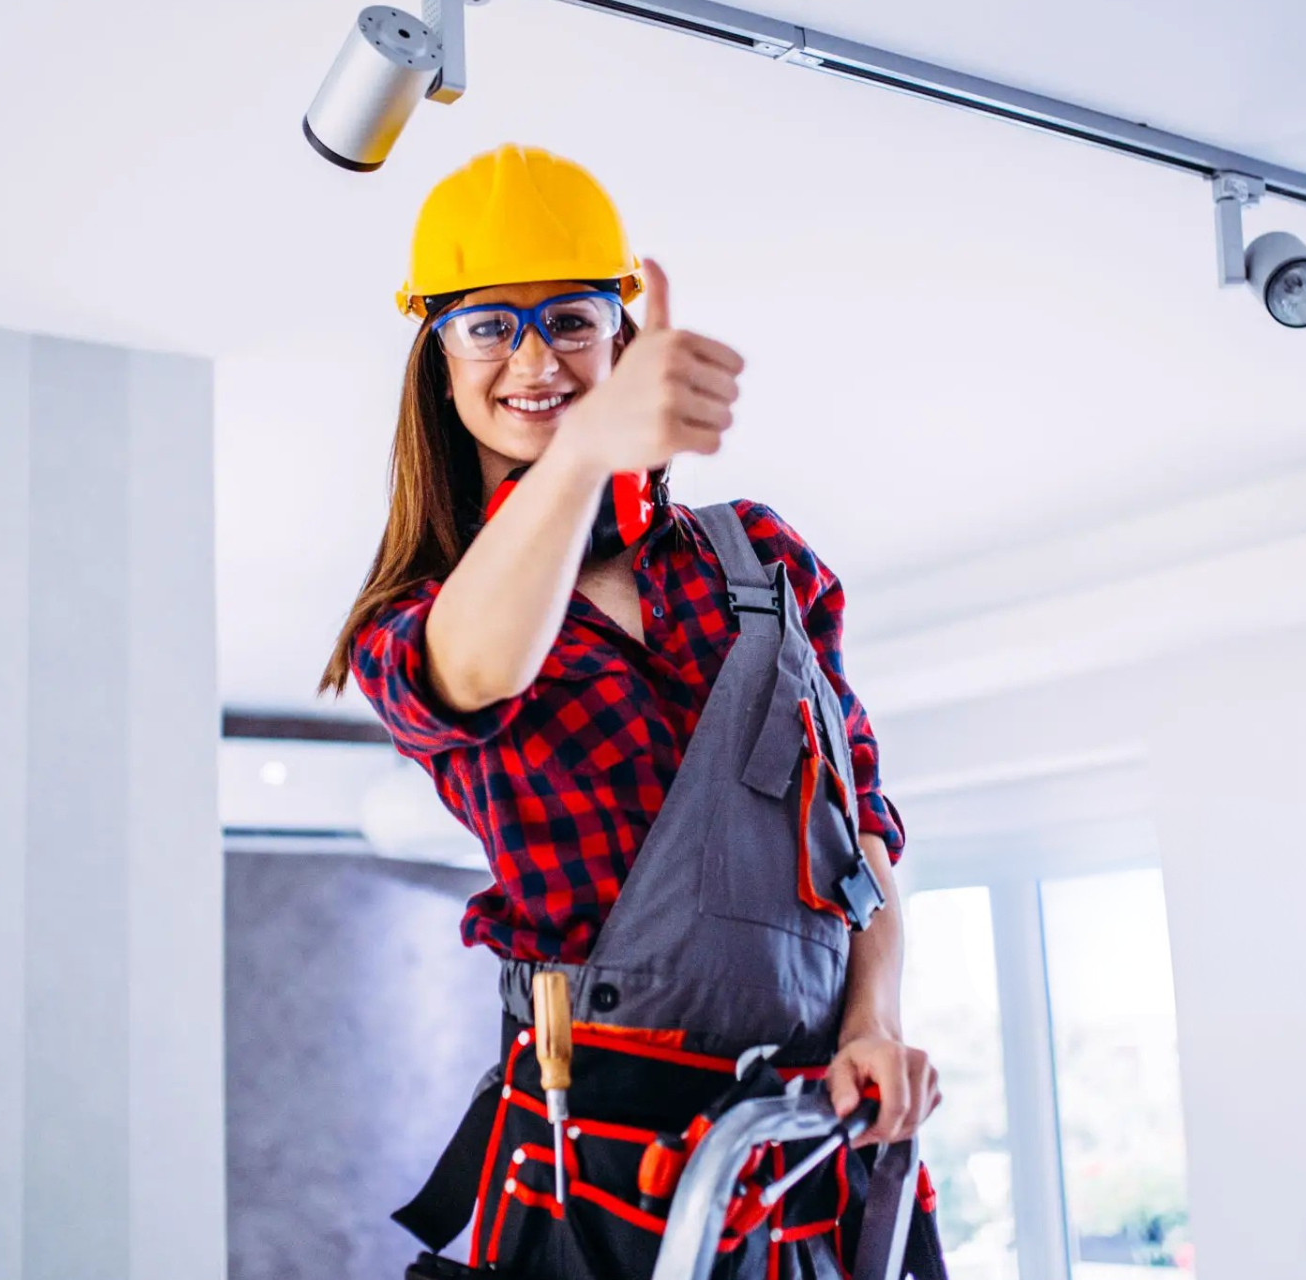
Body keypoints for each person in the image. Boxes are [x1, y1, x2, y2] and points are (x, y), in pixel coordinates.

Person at [319, 142, 945, 1279]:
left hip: (806, 1148)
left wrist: (874, 1022)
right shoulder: (421, 625)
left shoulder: (762, 559)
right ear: (440, 362)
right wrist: (591, 449)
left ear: (618, 329)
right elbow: (475, 670)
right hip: (598, 1169)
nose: (531, 356)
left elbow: (865, 834)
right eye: (486, 325)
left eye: (567, 318)